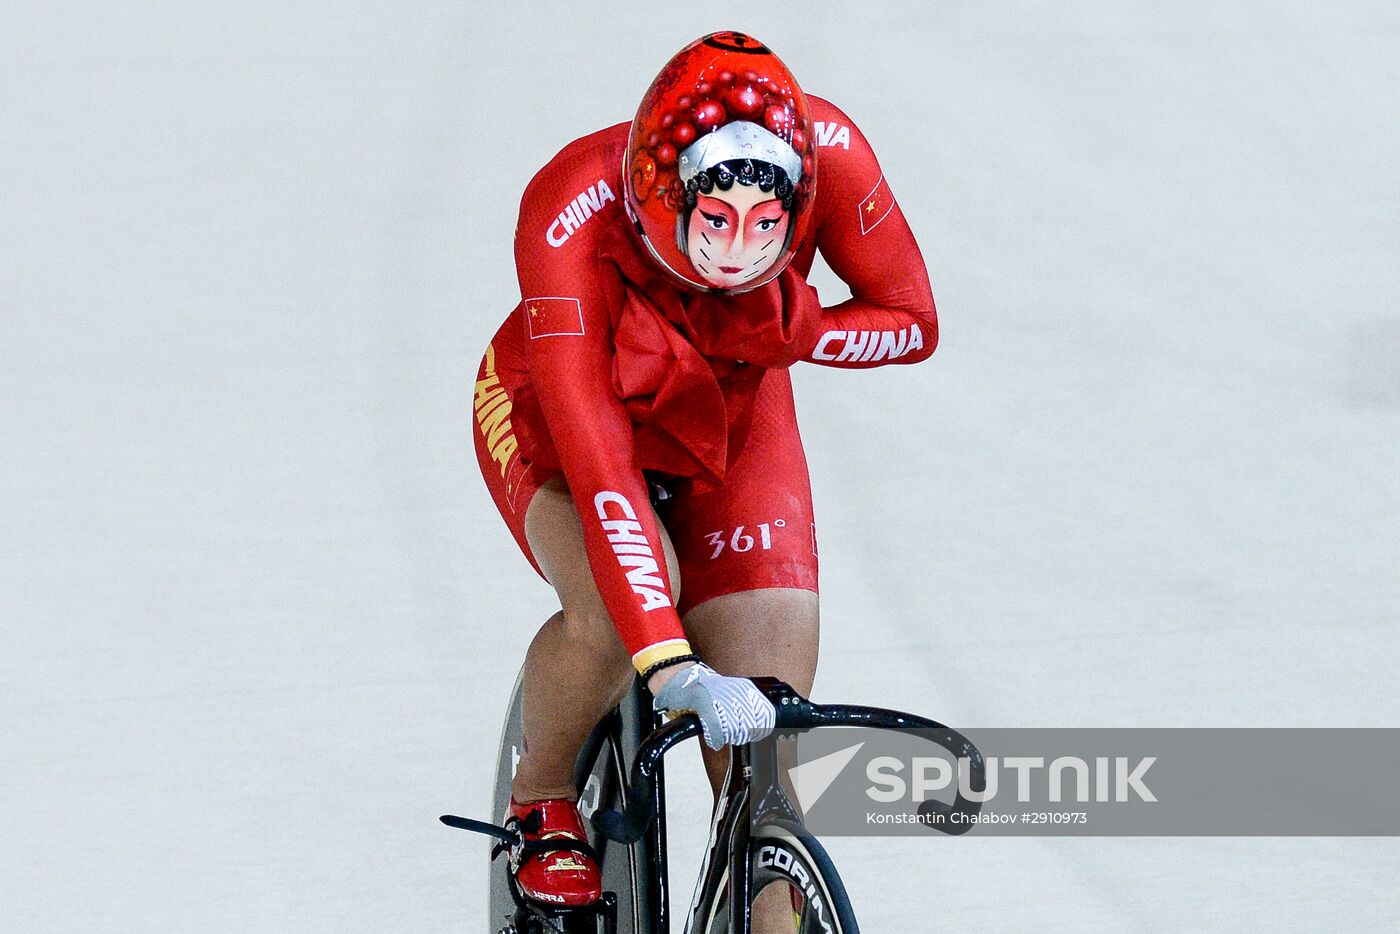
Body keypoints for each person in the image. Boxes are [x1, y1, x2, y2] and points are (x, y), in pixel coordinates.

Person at [471, 30, 938, 916]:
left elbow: (912, 320)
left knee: (766, 747)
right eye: (712, 227)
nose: (732, 256)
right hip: (569, 406)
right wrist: (668, 660)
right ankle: (540, 795)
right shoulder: (570, 202)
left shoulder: (832, 153)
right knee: (617, 618)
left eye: (763, 231)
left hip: (729, 413)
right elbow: (601, 468)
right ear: (659, 199)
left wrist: (797, 331)